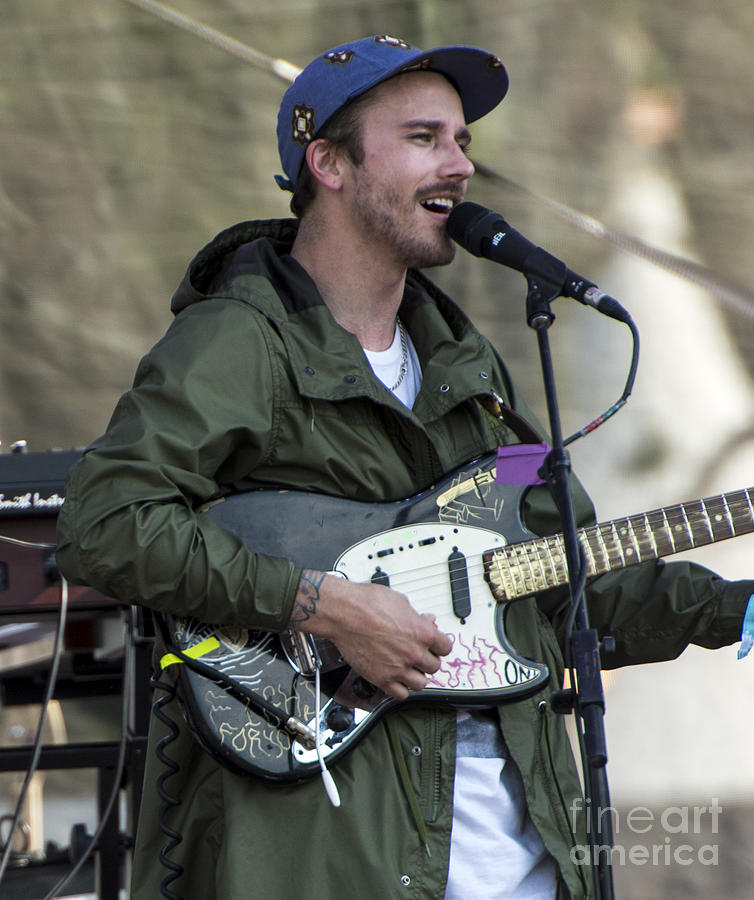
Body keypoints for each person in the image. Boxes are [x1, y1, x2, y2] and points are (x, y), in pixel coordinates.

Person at [55, 35, 753, 900]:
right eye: (424, 138)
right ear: (330, 164)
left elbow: (560, 587)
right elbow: (103, 523)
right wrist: (325, 605)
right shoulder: (241, 339)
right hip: (337, 848)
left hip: (525, 853)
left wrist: (733, 608)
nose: (460, 164)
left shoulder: (471, 366)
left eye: (462, 141)